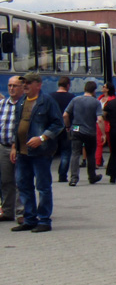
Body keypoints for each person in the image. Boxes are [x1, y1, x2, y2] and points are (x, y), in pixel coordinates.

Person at [10, 72, 64, 233]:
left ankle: (45, 220)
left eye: (28, 83)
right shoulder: (21, 102)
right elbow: (17, 126)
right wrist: (14, 146)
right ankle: (29, 219)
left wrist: (42, 138)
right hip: (22, 153)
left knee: (42, 186)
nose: (25, 86)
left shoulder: (46, 101)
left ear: (38, 85)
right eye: (23, 83)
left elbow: (58, 124)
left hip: (40, 153)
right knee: (23, 185)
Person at [63, 80, 105, 186]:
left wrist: (68, 126)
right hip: (90, 132)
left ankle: (73, 178)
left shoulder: (75, 100)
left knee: (75, 153)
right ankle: (92, 176)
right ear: (94, 90)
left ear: (85, 89)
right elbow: (100, 119)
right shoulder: (96, 102)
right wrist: (103, 134)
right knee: (90, 154)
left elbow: (65, 115)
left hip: (76, 129)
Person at [0, 76, 25, 224]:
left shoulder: (25, 105)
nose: (11, 88)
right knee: (6, 181)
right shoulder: (2, 104)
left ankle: (21, 212)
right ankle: (8, 211)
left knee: (20, 181)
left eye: (15, 86)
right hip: (4, 147)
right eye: (9, 86)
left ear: (22, 87)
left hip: (21, 149)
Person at [51, 76, 75, 183]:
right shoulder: (71, 97)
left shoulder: (50, 97)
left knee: (50, 152)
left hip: (52, 128)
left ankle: (45, 174)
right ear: (68, 85)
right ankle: (62, 175)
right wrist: (69, 126)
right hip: (66, 128)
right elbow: (71, 114)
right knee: (65, 152)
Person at [95, 82, 114, 168]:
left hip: (109, 122)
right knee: (99, 142)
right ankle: (97, 162)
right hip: (100, 123)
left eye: (104, 87)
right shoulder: (100, 98)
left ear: (108, 89)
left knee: (111, 143)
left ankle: (112, 162)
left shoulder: (112, 99)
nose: (102, 88)